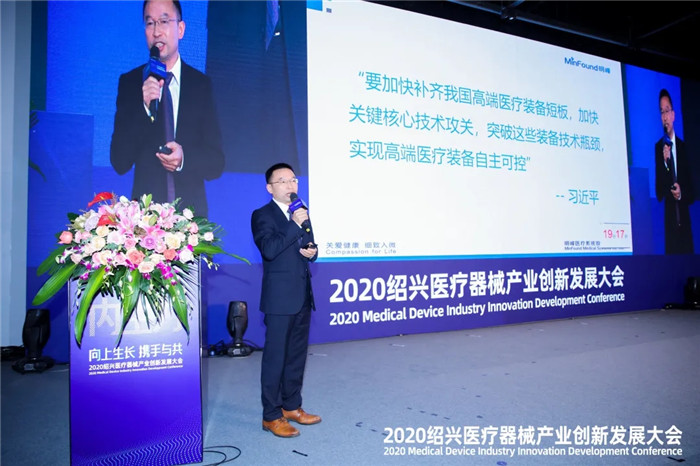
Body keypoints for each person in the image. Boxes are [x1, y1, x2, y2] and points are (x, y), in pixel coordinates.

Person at [110, 0, 224, 219]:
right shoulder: (130, 83)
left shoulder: (201, 85)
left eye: (163, 21)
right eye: (149, 23)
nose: (156, 32)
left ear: (180, 29)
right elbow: (119, 162)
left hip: (191, 222)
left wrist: (183, 160)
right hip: (145, 223)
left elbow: (216, 162)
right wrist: (144, 109)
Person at [251, 163, 320, 438]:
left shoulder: (301, 212)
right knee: (275, 359)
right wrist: (294, 223)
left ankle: (292, 406)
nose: (291, 185)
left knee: (296, 357)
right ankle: (271, 416)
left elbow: (310, 245)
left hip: (302, 295)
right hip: (279, 300)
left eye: (293, 179)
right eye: (283, 180)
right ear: (270, 188)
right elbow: (269, 249)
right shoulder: (262, 215)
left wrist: (312, 251)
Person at [655, 88, 694, 254]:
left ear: (673, 115)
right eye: (661, 112)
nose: (665, 116)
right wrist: (665, 164)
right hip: (670, 226)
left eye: (667, 110)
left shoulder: (684, 148)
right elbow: (659, 192)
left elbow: (693, 190)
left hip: (685, 224)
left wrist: (681, 193)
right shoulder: (658, 148)